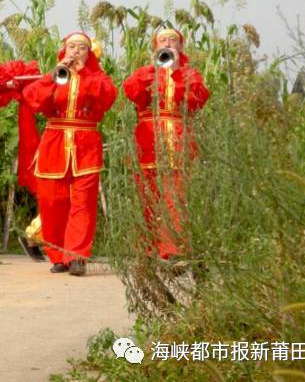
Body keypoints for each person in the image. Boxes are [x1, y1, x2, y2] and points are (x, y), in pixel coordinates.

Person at [22, 32, 117, 275]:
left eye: (81, 48)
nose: (75, 52)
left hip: (85, 145)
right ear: (63, 51)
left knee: (83, 203)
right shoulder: (55, 76)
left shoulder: (97, 76)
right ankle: (57, 255)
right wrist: (53, 75)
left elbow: (108, 97)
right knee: (52, 203)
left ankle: (76, 256)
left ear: (89, 53)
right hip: (54, 143)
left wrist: (84, 72)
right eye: (71, 47)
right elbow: (31, 98)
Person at [122, 28, 210, 260]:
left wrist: (177, 71)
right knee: (148, 197)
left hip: (180, 141)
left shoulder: (191, 75)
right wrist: (154, 68)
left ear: (181, 47)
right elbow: (131, 92)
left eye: (173, 41)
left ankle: (173, 250)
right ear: (155, 46)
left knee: (177, 197)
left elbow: (198, 100)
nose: (168, 43)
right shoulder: (146, 72)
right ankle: (148, 248)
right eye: (163, 40)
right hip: (148, 140)